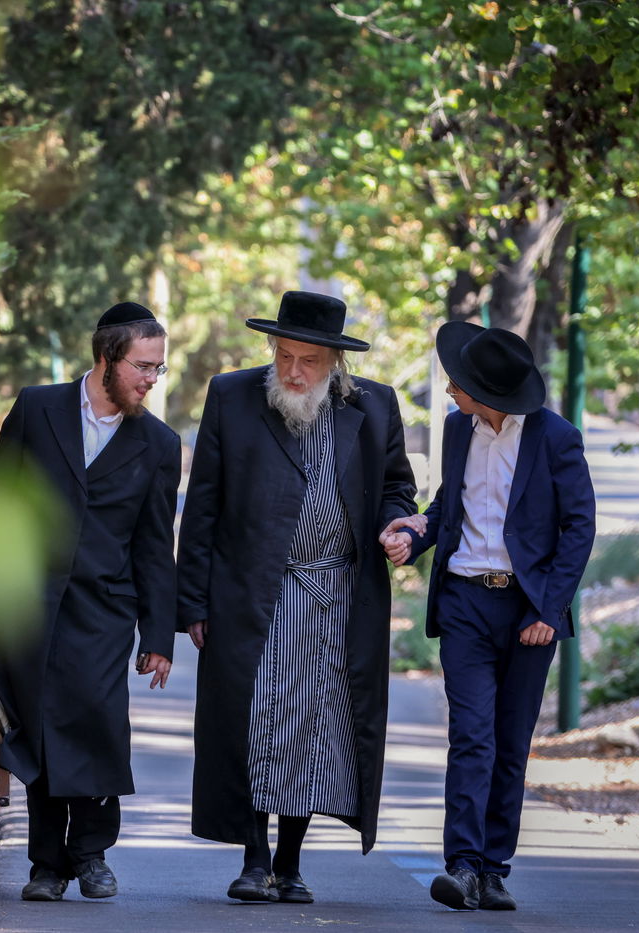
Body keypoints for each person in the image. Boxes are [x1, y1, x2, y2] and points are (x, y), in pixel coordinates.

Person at [176, 290, 418, 904]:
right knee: (259, 720)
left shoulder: (376, 406)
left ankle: (290, 862)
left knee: (313, 726)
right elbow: (202, 504)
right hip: (254, 590)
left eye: (308, 360)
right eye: (285, 355)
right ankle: (254, 862)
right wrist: (193, 603)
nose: (292, 371)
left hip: (337, 595)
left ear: (335, 361)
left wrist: (400, 528)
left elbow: (397, 489)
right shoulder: (232, 396)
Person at [0, 301, 181, 902]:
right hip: (26, 603)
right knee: (39, 730)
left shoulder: (158, 443)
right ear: (107, 358)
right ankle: (46, 864)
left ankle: (92, 854)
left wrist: (157, 636)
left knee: (97, 725)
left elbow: (155, 544)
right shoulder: (39, 408)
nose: (151, 379)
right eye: (142, 367)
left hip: (103, 610)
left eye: (159, 369)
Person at [381, 322, 595, 911]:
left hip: (529, 610)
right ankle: (463, 867)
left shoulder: (556, 438)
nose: (449, 390)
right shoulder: (457, 430)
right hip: (466, 601)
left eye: (459, 384)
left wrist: (549, 608)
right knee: (470, 735)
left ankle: (494, 868)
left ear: (489, 393)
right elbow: (451, 504)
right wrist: (415, 535)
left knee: (509, 743)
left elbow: (580, 527)